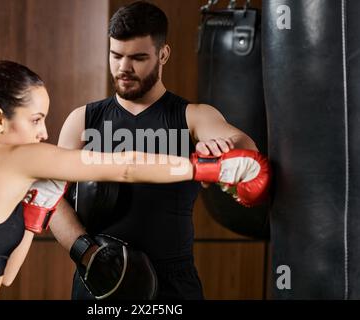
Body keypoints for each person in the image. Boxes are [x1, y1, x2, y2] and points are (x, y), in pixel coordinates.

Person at [0, 60, 265, 300]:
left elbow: (6, 276)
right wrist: (207, 168)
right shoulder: (11, 157)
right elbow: (124, 166)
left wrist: (37, 213)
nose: (44, 132)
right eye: (35, 120)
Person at [50, 1, 266, 300]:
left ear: (163, 54)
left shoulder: (193, 117)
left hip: (172, 285)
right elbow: (51, 197)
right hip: (98, 277)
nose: (124, 68)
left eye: (138, 58)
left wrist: (225, 149)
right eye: (116, 56)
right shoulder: (83, 120)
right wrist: (87, 253)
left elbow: (246, 147)